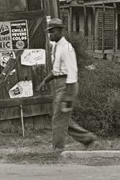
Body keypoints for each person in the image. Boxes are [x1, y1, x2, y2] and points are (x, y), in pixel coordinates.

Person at [38, 18, 96, 150]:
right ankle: (87, 138)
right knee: (63, 118)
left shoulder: (67, 48)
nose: (50, 34)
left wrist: (69, 95)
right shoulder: (57, 47)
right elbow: (57, 70)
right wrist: (45, 80)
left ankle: (58, 150)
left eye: (52, 32)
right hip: (60, 85)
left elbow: (72, 71)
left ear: (59, 31)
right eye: (49, 32)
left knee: (58, 119)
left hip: (67, 86)